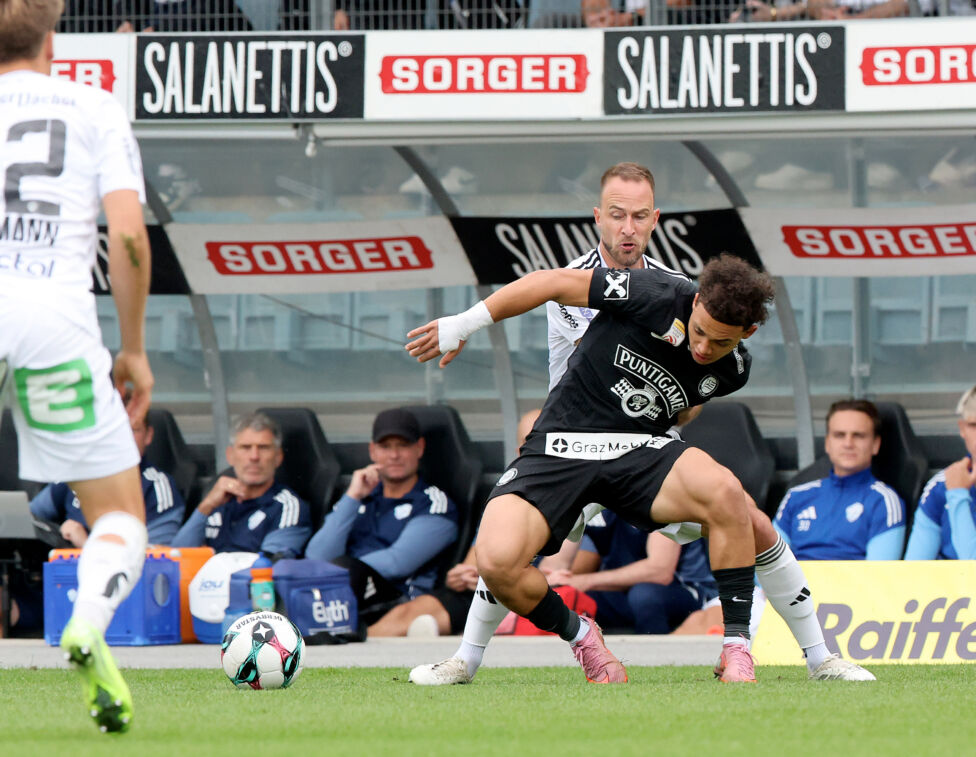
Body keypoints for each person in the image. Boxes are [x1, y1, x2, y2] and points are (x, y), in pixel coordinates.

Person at [408, 163, 873, 686]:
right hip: (567, 440)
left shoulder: (699, 314)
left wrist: (675, 392)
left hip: (640, 447)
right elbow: (557, 298)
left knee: (745, 513)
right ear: (598, 218)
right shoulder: (630, 288)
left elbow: (685, 400)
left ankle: (815, 657)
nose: (627, 227)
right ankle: (474, 658)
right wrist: (461, 323)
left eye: (638, 217)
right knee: (503, 555)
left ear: (655, 221)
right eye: (616, 215)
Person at [1, 0, 153, 732]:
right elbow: (126, 238)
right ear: (53, 35)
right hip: (55, 321)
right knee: (119, 514)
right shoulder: (93, 108)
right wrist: (133, 346)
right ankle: (89, 619)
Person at [305, 407, 460, 624]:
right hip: (343, 588)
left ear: (420, 448)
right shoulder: (359, 497)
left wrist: (338, 571)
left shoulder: (434, 503)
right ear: (372, 451)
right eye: (385, 447)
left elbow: (398, 562)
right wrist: (352, 497)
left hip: (397, 600)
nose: (394, 456)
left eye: (403, 446)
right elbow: (317, 556)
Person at [30, 409, 186, 547]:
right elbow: (28, 519)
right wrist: (57, 535)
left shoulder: (156, 487)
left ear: (148, 435)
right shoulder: (76, 473)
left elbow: (158, 564)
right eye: (116, 430)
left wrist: (86, 545)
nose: (124, 437)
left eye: (133, 430)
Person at [775, 399, 906, 561]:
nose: (848, 443)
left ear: (875, 444)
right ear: (827, 443)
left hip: (851, 586)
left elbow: (879, 577)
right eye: (839, 435)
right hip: (793, 585)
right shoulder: (796, 496)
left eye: (858, 436)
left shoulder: (885, 502)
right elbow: (768, 565)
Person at [547, 512, 718, 634]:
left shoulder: (660, 497)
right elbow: (556, 562)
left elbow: (659, 570)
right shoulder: (599, 498)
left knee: (644, 596)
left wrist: (584, 581)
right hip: (624, 593)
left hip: (687, 591)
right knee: (569, 598)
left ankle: (659, 662)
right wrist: (554, 579)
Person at [171, 412, 311, 558]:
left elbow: (267, 568)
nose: (254, 457)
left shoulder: (288, 506)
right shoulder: (216, 501)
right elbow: (176, 557)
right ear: (230, 456)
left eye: (263, 448)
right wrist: (206, 506)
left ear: (278, 457)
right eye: (245, 447)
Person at [905, 385, 976, 560]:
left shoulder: (952, 487)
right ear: (962, 428)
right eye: (974, 425)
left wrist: (958, 495)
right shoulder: (941, 484)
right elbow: (915, 569)